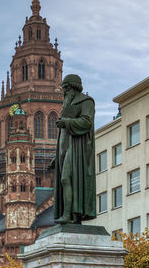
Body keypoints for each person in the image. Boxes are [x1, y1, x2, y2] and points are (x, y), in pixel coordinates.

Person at [49, 74, 96, 224]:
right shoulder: (66, 105)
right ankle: (72, 215)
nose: (64, 92)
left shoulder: (86, 101)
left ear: (72, 87)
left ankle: (69, 214)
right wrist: (57, 157)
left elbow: (87, 122)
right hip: (66, 148)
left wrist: (66, 122)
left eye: (66, 88)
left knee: (66, 179)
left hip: (78, 149)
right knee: (66, 181)